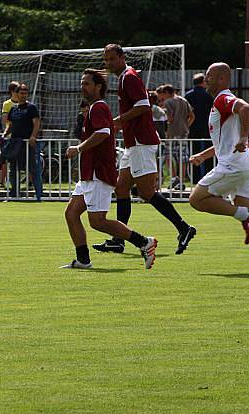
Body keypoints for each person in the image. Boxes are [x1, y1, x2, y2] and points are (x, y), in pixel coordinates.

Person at [94, 44, 196, 255]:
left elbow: (143, 106)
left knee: (147, 192)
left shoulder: (129, 76)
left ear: (122, 57)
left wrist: (118, 121)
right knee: (121, 189)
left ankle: (184, 228)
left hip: (141, 142)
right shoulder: (125, 77)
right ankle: (118, 240)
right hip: (134, 144)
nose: (109, 63)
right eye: (106, 60)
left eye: (112, 58)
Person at [188, 62, 249, 274]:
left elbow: (246, 108)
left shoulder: (223, 97)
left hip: (234, 165)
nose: (206, 80)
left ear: (222, 78)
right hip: (246, 165)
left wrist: (243, 137)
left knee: (196, 199)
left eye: (210, 76)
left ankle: (244, 216)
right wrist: (204, 155)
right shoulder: (219, 102)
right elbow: (225, 140)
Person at [63, 69, 158, 270]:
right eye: (82, 83)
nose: (83, 87)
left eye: (87, 83)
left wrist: (78, 148)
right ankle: (83, 260)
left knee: (98, 221)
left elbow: (104, 132)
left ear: (98, 87)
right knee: (71, 213)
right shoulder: (92, 107)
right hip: (89, 173)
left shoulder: (98, 107)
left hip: (98, 173)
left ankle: (144, 242)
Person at [3, 82, 42, 200]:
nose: (24, 95)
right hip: (16, 143)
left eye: (25, 93)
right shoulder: (13, 109)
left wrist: (33, 136)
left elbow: (36, 123)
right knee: (14, 169)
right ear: (16, 94)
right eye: (21, 93)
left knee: (32, 169)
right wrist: (5, 134)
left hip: (28, 143)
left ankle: (39, 194)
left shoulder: (31, 107)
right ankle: (14, 193)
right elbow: (10, 125)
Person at [156, 84, 194, 189]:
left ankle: (174, 178)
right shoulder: (184, 100)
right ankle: (181, 181)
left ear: (167, 93)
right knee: (182, 158)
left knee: (168, 156)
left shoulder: (168, 102)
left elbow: (170, 118)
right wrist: (186, 126)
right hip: (183, 133)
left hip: (172, 133)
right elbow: (192, 116)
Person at [185, 73, 214, 181]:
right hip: (207, 127)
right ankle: (209, 174)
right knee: (208, 152)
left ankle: (195, 177)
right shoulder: (208, 95)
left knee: (193, 150)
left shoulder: (188, 95)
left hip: (192, 127)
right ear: (203, 82)